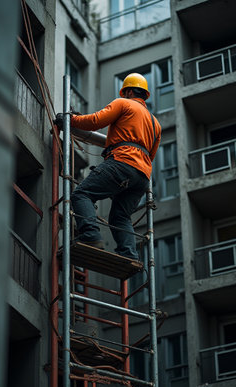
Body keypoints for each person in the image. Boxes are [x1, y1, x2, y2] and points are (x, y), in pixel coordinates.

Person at [61, 73, 161, 260]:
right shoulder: (156, 124)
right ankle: (129, 253)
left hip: (122, 162)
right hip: (142, 176)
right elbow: (151, 155)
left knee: (82, 194)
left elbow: (96, 121)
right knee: (121, 217)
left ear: (128, 91)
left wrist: (70, 120)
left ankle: (91, 235)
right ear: (144, 95)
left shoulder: (123, 103)